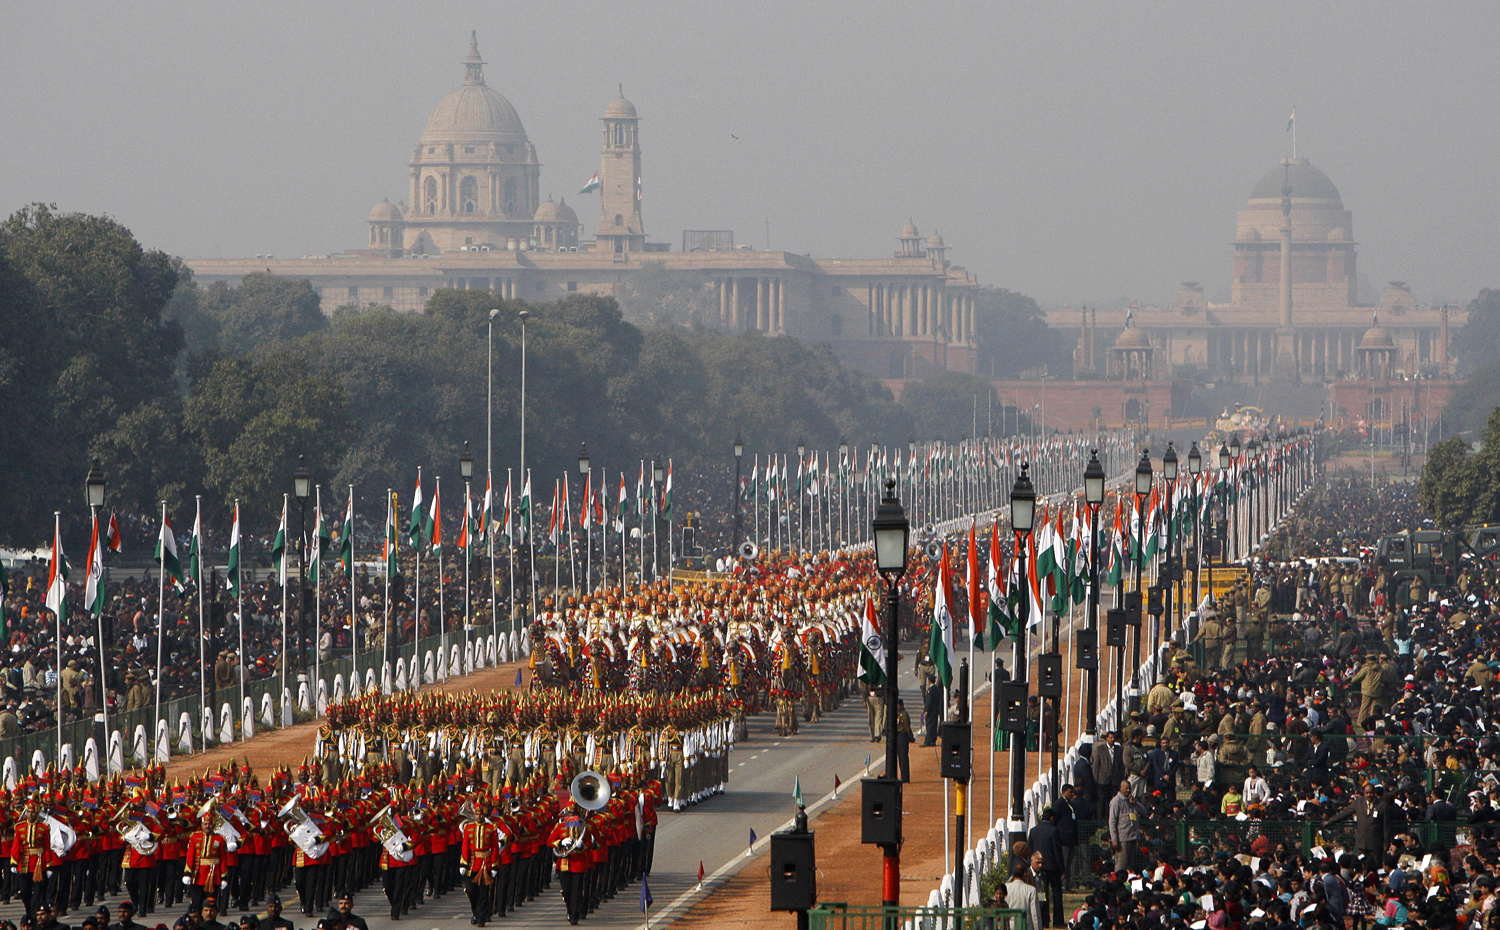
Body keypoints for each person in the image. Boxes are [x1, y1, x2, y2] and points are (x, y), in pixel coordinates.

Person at [1026, 807, 1065, 928]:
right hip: (1053, 868)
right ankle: (1058, 920)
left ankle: (1044, 919)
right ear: (1052, 818)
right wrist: (1062, 869)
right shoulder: (1054, 831)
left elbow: (1030, 850)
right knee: (1057, 893)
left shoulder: (1033, 831)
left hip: (1039, 868)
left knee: (1042, 894)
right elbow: (1057, 851)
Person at [1107, 780, 1147, 875]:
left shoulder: (1131, 800)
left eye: (1129, 788)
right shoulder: (1116, 802)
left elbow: (1144, 812)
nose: (1128, 790)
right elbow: (1112, 821)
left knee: (1131, 865)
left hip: (1133, 836)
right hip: (1122, 838)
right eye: (1126, 788)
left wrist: (1135, 803)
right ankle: (1118, 883)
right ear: (1120, 788)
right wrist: (1114, 839)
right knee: (1122, 864)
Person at [894, 699, 915, 783]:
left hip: (903, 736)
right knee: (900, 758)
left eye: (899, 705)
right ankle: (902, 775)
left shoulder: (904, 714)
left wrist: (911, 738)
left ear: (902, 705)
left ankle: (905, 777)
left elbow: (907, 727)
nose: (897, 707)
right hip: (898, 736)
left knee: (903, 758)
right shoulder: (897, 714)